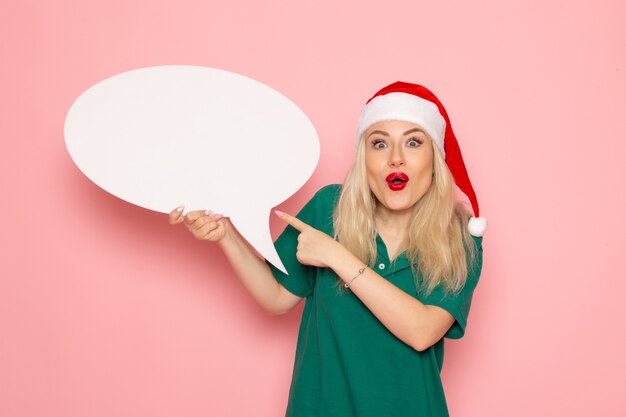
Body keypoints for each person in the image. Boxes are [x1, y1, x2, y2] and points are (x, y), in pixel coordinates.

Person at [168, 81, 487, 417]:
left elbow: (422, 331)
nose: (396, 159)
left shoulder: (460, 237)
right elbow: (276, 297)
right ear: (365, 159)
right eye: (379, 143)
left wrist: (336, 256)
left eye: (413, 142)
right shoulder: (328, 209)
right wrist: (226, 236)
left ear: (434, 158)